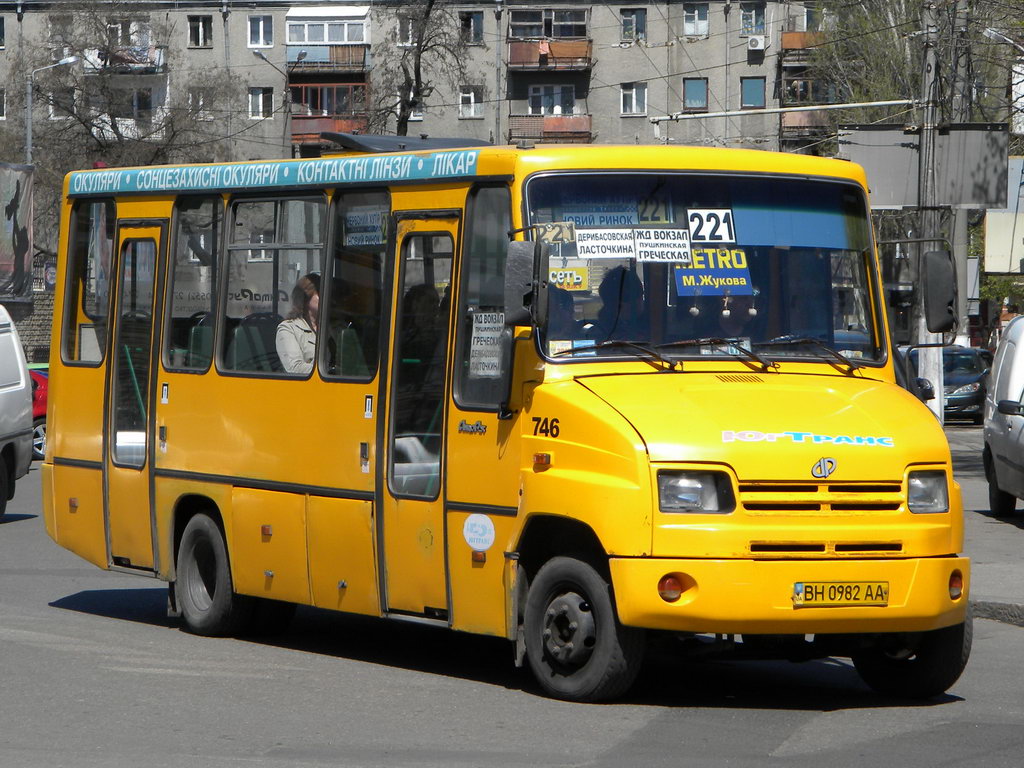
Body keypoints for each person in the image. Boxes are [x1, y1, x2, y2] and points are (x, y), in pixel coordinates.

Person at [276, 273, 320, 374]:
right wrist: (326, 370)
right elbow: (294, 368)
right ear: (305, 297)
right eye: (320, 293)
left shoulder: (333, 327)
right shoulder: (288, 328)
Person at [594, 266, 647, 342]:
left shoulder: (656, 326)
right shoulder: (598, 333)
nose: (638, 302)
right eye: (626, 299)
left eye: (639, 294)